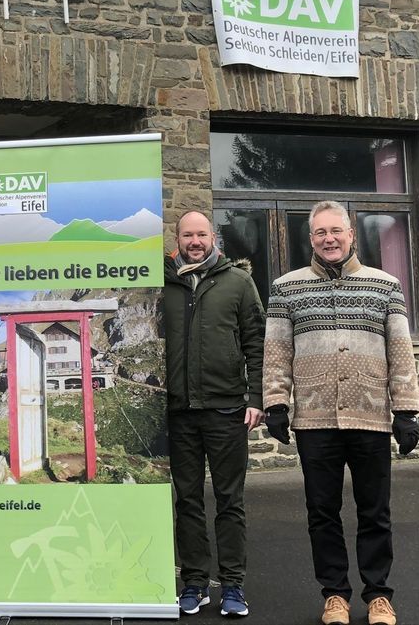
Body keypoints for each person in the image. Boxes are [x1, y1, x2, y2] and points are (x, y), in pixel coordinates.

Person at [263, 200, 419, 625]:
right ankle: (334, 593)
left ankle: (378, 595)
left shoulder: (386, 285)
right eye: (320, 233)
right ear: (310, 238)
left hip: (370, 416)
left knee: (375, 510)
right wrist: (275, 403)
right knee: (322, 511)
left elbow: (401, 352)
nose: (329, 239)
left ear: (351, 234)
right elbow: (276, 352)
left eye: (336, 231)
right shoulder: (286, 288)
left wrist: (405, 409)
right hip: (314, 420)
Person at [163, 210, 265, 618]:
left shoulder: (239, 282)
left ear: (213, 237)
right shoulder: (161, 283)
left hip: (227, 410)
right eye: (188, 234)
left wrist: (256, 397)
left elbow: (258, 342)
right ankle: (194, 582)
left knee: (230, 501)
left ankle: (234, 586)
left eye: (201, 234)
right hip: (178, 412)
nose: (195, 241)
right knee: (186, 500)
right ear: (177, 238)